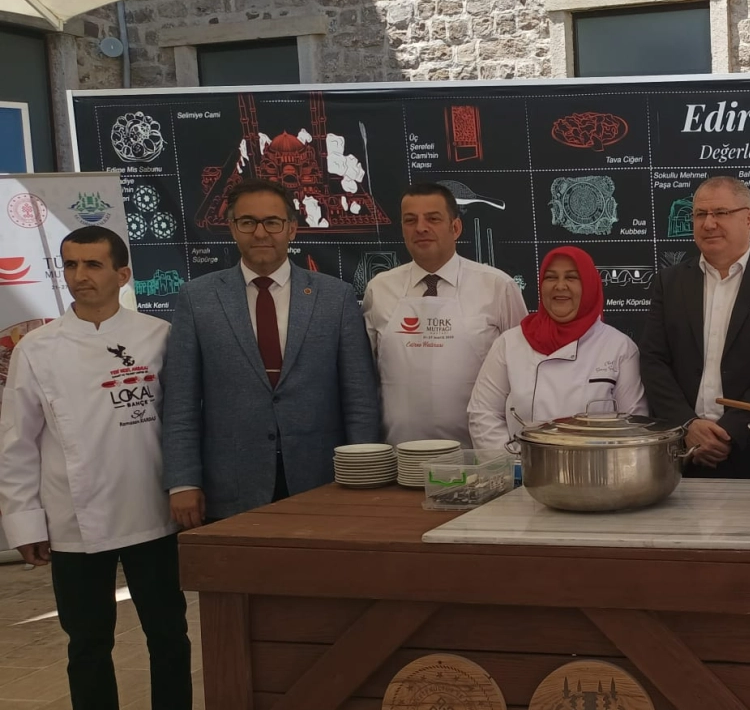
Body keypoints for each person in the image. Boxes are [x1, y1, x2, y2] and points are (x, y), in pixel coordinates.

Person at [0, 227, 206, 710]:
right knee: (87, 642)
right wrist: (24, 520)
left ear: (122, 274)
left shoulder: (159, 336)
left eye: (93, 264)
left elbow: (185, 422)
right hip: (73, 518)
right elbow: (17, 443)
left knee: (168, 632)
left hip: (153, 510)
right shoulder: (37, 349)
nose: (80, 276)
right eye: (71, 265)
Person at [162, 179, 380, 525]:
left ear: (291, 228)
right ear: (232, 228)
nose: (260, 233)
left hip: (323, 478)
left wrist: (365, 472)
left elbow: (360, 399)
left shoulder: (335, 297)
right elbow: (180, 402)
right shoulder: (197, 298)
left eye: (272, 222)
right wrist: (183, 481)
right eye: (248, 222)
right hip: (232, 481)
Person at [639, 175, 750, 479]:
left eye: (720, 212)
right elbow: (654, 361)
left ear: (749, 218)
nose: (709, 223)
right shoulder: (670, 282)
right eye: (700, 214)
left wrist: (730, 430)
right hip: (680, 453)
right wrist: (689, 426)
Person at [364, 181, 527, 445]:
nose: (420, 228)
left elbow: (523, 372)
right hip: (397, 456)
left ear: (456, 227)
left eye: (433, 218)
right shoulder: (379, 289)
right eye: (410, 220)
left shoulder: (498, 286)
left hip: (480, 457)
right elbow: (363, 377)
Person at [468, 246, 646, 449]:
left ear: (589, 286)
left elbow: (633, 425)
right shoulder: (509, 343)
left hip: (598, 466)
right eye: (551, 277)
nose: (560, 286)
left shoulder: (619, 348)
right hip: (524, 465)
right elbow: (483, 413)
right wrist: (515, 461)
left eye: (571, 277)